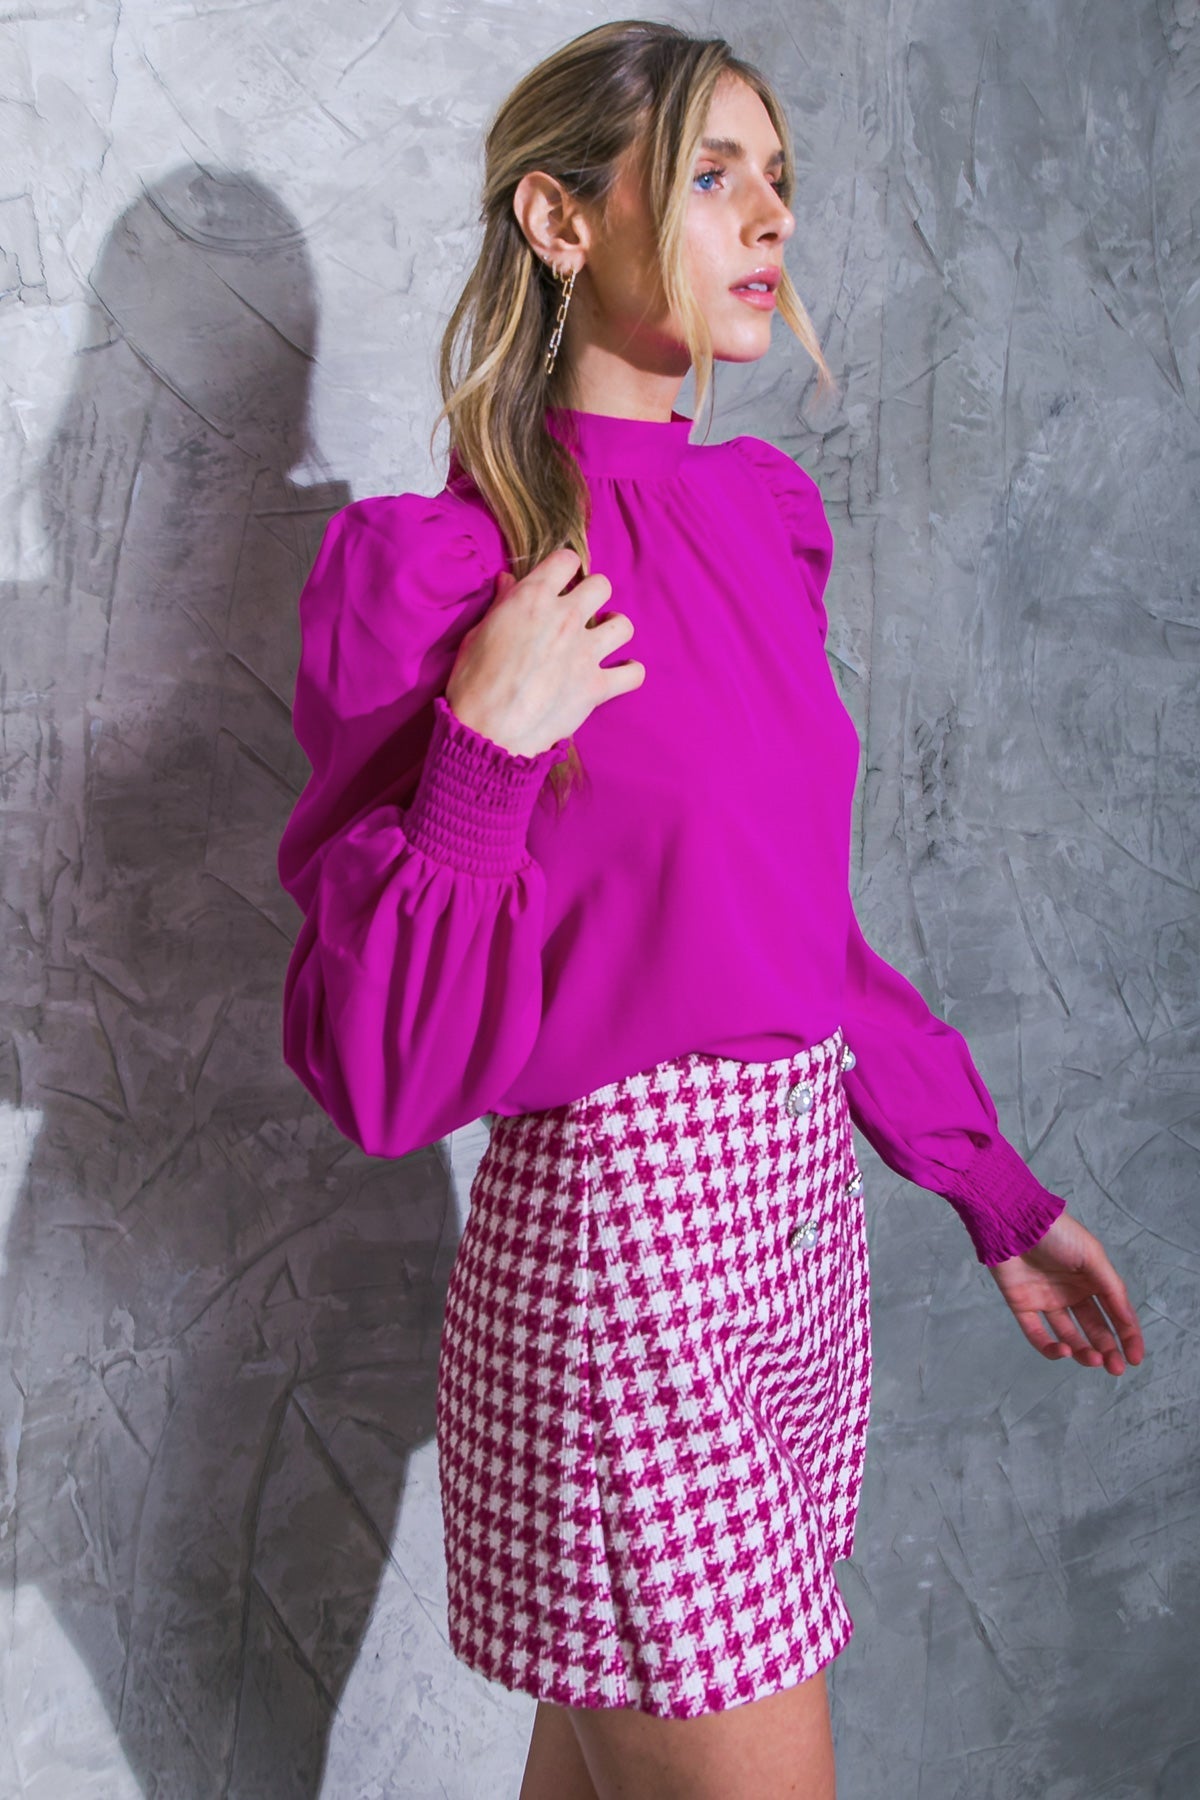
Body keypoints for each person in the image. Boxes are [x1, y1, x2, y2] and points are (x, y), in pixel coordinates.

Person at [275, 20, 1145, 1800]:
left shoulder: (762, 520)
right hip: (625, 1262)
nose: (771, 219)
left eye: (780, 181)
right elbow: (379, 1074)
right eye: (712, 175)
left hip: (795, 1240)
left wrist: (987, 1184)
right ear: (560, 220)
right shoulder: (445, 575)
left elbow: (791, 934)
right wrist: (480, 756)